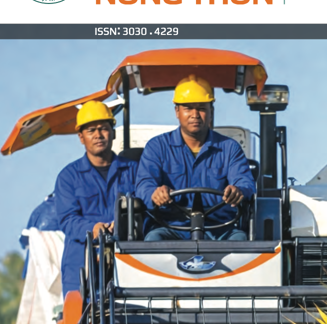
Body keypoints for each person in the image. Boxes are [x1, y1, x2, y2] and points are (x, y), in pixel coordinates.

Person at [135, 75, 256, 241]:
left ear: (211, 111)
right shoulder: (157, 147)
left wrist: (238, 190)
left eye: (201, 108)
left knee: (240, 241)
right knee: (153, 241)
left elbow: (245, 182)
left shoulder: (229, 148)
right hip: (170, 226)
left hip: (219, 228)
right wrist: (154, 193)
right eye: (188, 108)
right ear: (177, 111)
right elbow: (144, 184)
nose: (195, 114)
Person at [54, 101, 138, 294]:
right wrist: (93, 229)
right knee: (79, 319)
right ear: (81, 137)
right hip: (81, 263)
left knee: (131, 319)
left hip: (126, 260)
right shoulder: (68, 177)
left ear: (114, 132)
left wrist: (123, 225)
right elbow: (67, 219)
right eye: (91, 130)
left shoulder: (134, 170)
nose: (98, 135)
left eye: (104, 129)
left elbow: (147, 209)